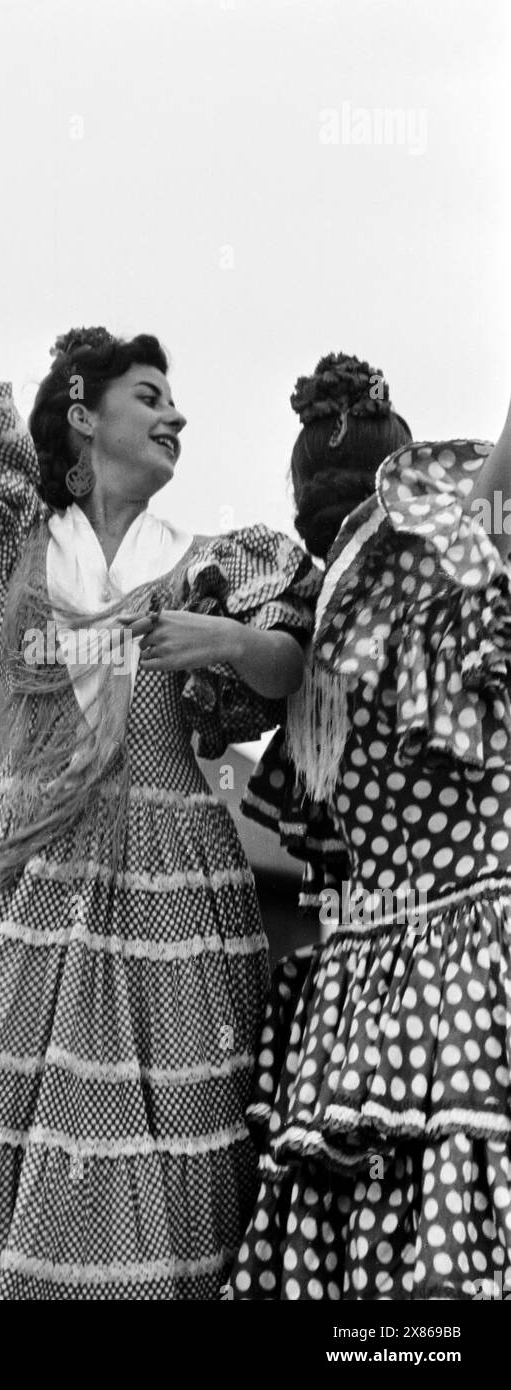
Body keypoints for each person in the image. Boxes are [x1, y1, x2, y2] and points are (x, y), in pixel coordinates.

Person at [0, 132, 321, 1300]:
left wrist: (228, 643)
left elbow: (289, 672)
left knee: (152, 1155)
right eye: (151, 396)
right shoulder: (12, 539)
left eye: (177, 399)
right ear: (84, 420)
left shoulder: (207, 566)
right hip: (31, 874)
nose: (175, 414)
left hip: (166, 882)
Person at [231, 352, 511, 1300]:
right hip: (477, 952)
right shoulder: (435, 591)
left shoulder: (308, 644)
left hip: (359, 991)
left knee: (371, 1254)